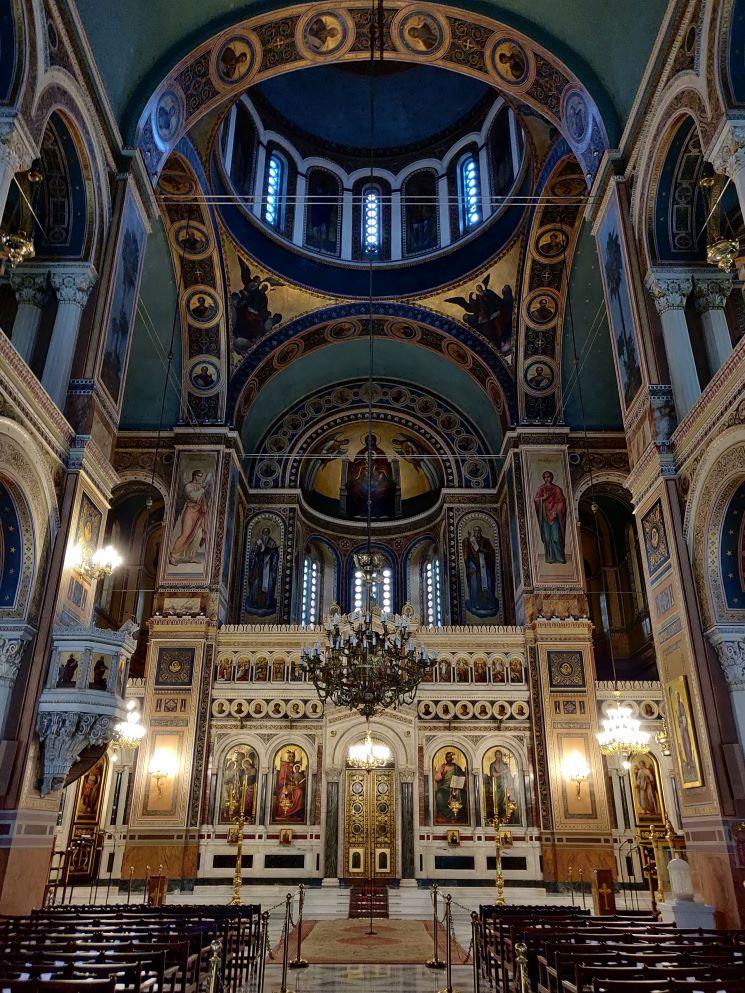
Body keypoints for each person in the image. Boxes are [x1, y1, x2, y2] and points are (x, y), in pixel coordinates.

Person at [169, 468, 210, 565]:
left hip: (199, 514)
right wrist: (202, 489)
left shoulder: (201, 487)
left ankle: (191, 556)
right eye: (197, 476)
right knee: (185, 534)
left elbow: (203, 501)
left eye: (201, 476)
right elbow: (194, 497)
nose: (199, 478)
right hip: (190, 512)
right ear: (193, 476)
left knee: (198, 535)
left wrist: (205, 506)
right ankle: (173, 556)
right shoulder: (188, 486)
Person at [463, 525, 498, 617]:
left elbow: (491, 552)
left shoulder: (485, 541)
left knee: (489, 584)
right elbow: (467, 555)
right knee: (475, 585)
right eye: (475, 532)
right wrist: (470, 565)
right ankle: (475, 604)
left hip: (485, 567)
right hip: (475, 568)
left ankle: (490, 604)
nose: (477, 533)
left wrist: (484, 551)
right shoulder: (470, 542)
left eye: (478, 532)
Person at [533, 470, 567, 564]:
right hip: (544, 515)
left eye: (549, 477)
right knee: (547, 538)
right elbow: (536, 499)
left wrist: (556, 511)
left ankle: (560, 557)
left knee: (556, 537)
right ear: (544, 479)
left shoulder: (557, 489)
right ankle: (550, 557)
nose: (547, 478)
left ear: (552, 477)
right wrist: (543, 498)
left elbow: (561, 502)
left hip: (554, 515)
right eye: (545, 477)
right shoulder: (541, 488)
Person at [245, 526, 279, 615]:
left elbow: (275, 554)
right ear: (262, 533)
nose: (265, 534)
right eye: (264, 532)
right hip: (258, 567)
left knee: (268, 585)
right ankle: (255, 602)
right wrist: (257, 556)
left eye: (267, 532)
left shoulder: (272, 543)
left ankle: (267, 603)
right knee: (256, 584)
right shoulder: (258, 542)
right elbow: (253, 554)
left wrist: (270, 553)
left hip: (267, 568)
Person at [434, 750, 467, 823]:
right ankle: (446, 814)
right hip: (445, 787)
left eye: (450, 757)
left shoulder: (456, 767)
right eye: (447, 757)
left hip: (456, 787)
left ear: (452, 758)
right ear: (445, 758)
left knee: (463, 794)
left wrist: (458, 785)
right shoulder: (443, 766)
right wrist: (443, 773)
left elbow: (462, 777)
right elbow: (436, 778)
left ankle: (457, 815)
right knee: (439, 794)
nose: (449, 758)